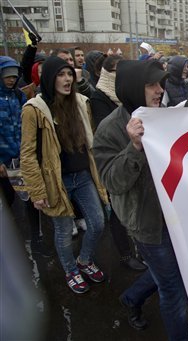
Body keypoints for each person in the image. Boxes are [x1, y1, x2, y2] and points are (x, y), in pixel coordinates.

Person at [93, 59, 188, 338]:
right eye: (151, 85)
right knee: (173, 289)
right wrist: (134, 147)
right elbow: (112, 182)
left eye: (160, 84)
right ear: (134, 88)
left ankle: (132, 298)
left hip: (176, 215)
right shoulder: (110, 129)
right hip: (146, 223)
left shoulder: (164, 116)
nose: (160, 90)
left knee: (177, 272)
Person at [20, 56, 108, 294]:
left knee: (98, 222)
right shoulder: (34, 110)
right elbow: (27, 154)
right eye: (61, 74)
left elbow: (91, 140)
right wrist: (37, 190)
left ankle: (84, 260)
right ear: (50, 78)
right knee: (63, 231)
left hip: (83, 175)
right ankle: (70, 270)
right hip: (56, 180)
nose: (67, 79)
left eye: (69, 74)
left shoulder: (81, 102)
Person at [89, 55, 147, 272]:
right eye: (115, 70)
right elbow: (111, 134)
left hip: (136, 166)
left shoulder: (139, 103)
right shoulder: (100, 99)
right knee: (118, 211)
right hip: (119, 160)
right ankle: (125, 254)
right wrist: (133, 142)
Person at [0, 56, 51, 257]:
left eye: (14, 76)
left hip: (22, 159)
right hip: (4, 163)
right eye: (6, 76)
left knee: (31, 201)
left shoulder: (19, 97)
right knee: (8, 204)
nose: (11, 80)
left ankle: (37, 242)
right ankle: (9, 246)